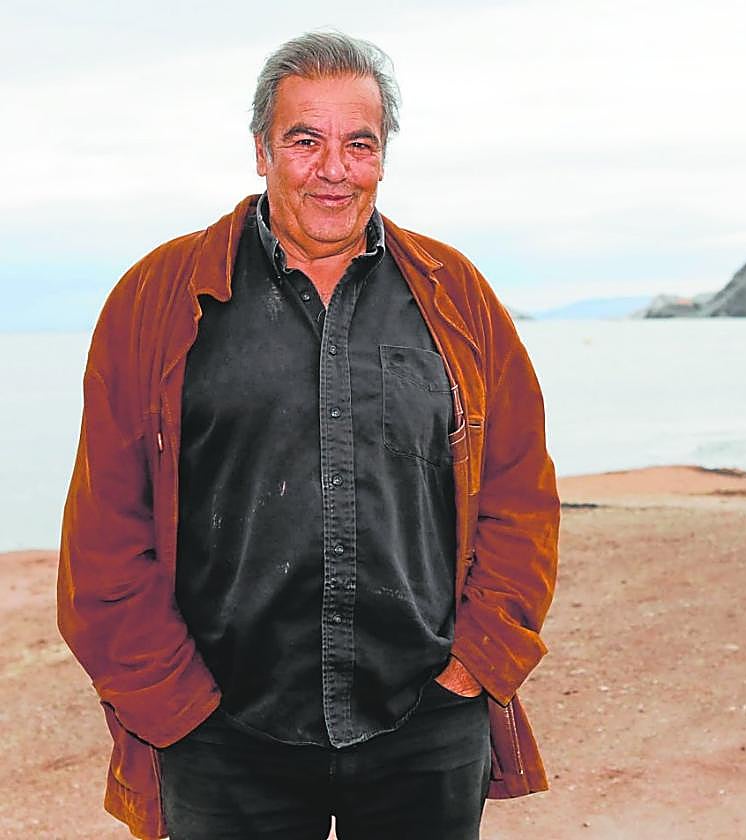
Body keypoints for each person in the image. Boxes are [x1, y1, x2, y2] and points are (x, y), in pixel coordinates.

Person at [57, 31, 559, 840]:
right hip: (222, 737)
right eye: (305, 140)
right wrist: (175, 703)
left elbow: (520, 492)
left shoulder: (455, 296)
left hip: (424, 724)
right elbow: (105, 531)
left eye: (359, 143)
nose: (334, 168)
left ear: (384, 157)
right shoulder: (157, 300)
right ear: (261, 151)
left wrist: (476, 665)